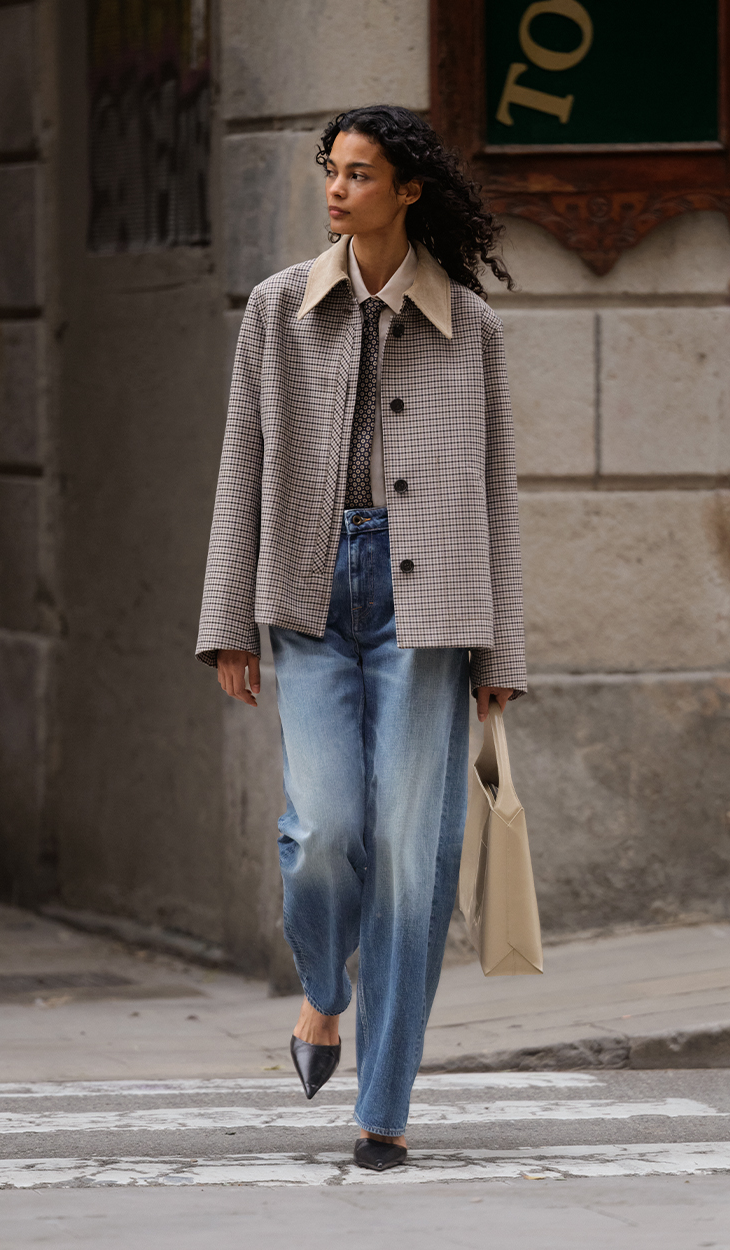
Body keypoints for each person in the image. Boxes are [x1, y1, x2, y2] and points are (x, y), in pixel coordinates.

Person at [195, 104, 526, 1171]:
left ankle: (382, 1108)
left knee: (410, 855)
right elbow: (240, 467)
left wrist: (501, 654)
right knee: (325, 830)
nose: (336, 190)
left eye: (358, 174)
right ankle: (323, 992)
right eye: (329, 173)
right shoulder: (277, 308)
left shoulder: (470, 327)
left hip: (426, 609)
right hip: (307, 592)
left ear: (407, 189)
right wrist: (225, 623)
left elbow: (500, 495)